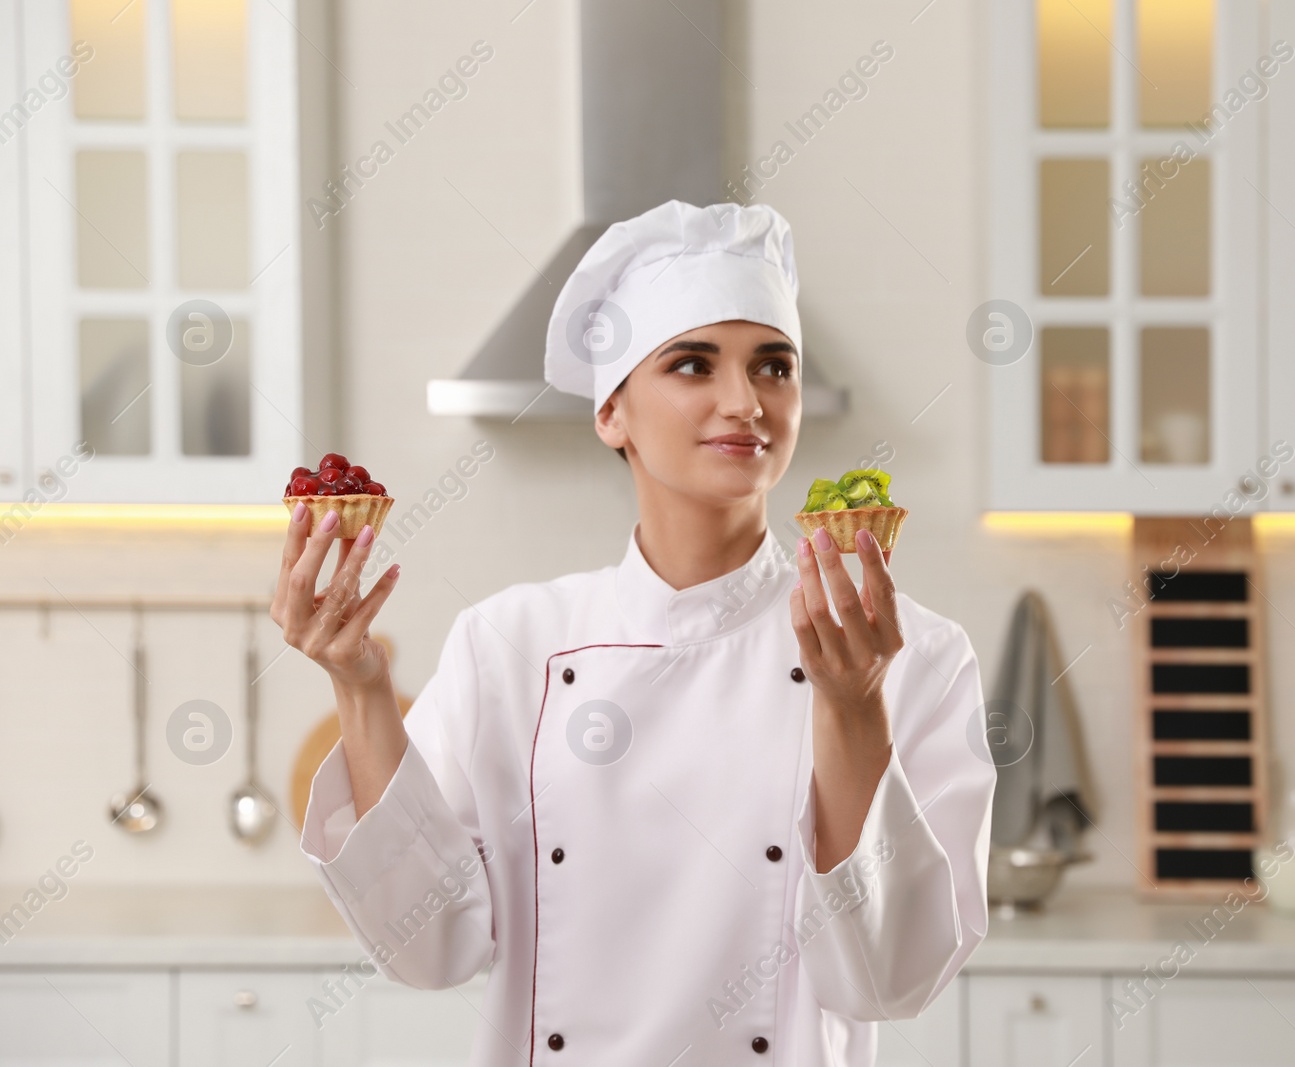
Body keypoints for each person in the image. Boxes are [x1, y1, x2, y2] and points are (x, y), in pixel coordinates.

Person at [272, 199, 996, 1065]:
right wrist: (358, 682)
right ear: (611, 413)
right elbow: (428, 949)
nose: (746, 402)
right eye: (693, 364)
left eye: (775, 367)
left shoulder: (912, 652)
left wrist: (852, 708)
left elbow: (888, 981)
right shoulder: (509, 643)